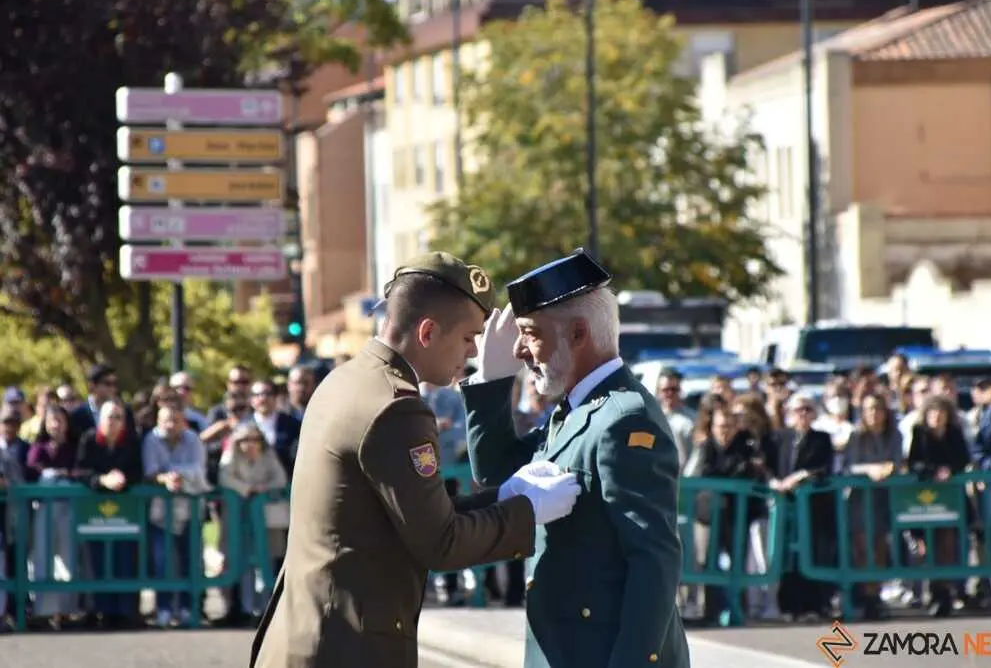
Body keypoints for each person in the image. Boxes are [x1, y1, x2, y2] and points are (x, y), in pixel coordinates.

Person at [250, 252, 581, 668]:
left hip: (307, 634)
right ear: (427, 332)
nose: (471, 352)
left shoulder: (346, 379)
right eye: (468, 338)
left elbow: (411, 512)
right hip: (346, 649)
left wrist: (504, 497)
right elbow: (441, 542)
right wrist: (526, 512)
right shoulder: (397, 408)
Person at [462, 249, 690, 668]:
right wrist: (491, 381)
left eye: (530, 333)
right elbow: (496, 471)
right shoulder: (576, 410)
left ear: (578, 334)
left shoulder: (624, 418)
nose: (520, 350)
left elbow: (653, 560)